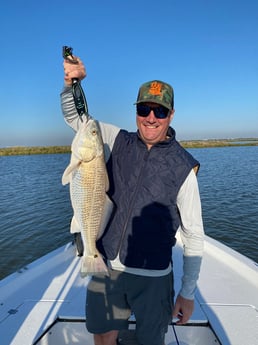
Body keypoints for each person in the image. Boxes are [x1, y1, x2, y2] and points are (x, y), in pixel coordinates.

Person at [61, 56, 204, 345]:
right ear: (136, 111)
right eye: (144, 108)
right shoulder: (116, 140)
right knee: (102, 337)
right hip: (107, 266)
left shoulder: (184, 167)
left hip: (154, 277)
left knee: (151, 340)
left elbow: (194, 235)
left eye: (160, 111)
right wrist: (72, 85)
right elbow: (79, 120)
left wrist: (187, 294)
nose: (151, 117)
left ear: (171, 115)